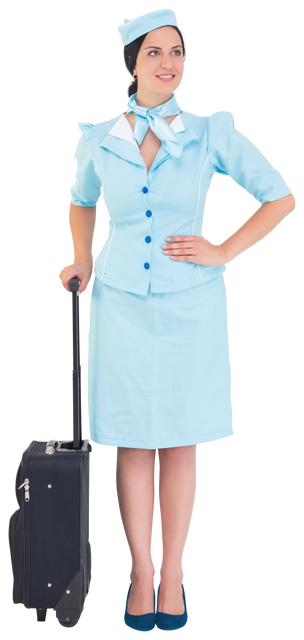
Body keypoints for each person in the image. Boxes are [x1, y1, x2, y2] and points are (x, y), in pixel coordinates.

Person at [56, 6, 297, 634]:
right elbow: (81, 204)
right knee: (133, 444)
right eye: (156, 53)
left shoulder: (213, 132)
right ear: (131, 64)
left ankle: (175, 573)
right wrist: (80, 257)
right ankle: (139, 573)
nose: (170, 65)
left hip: (191, 304)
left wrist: (224, 249)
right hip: (119, 303)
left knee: (182, 442)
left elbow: (281, 196)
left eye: (178, 53)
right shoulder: (98, 137)